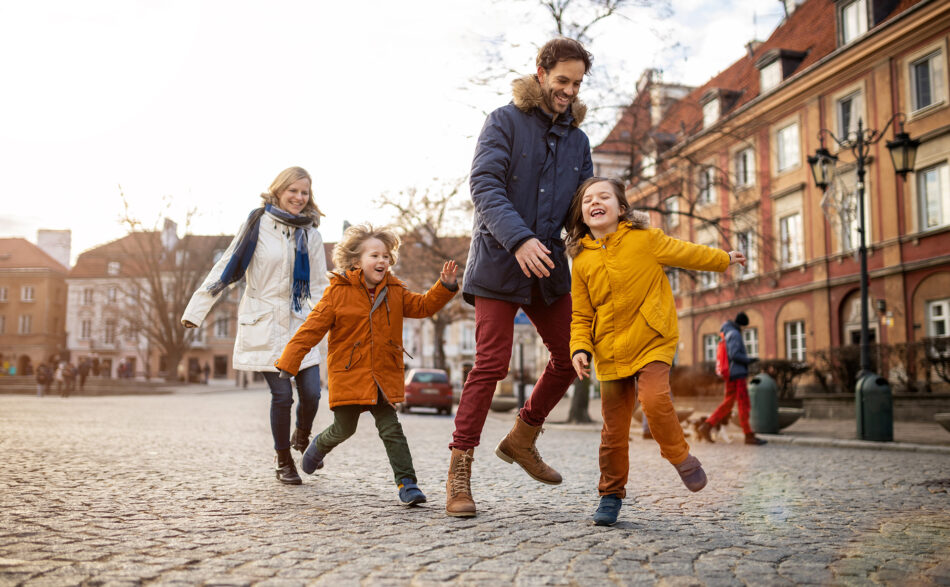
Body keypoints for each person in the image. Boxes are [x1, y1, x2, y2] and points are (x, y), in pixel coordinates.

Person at [446, 37, 595, 518]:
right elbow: (484, 185)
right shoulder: (503, 121)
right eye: (561, 81)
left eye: (576, 84)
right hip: (498, 259)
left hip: (548, 265)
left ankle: (523, 436)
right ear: (541, 74)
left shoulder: (578, 140)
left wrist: (614, 234)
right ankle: (459, 470)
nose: (568, 91)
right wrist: (519, 239)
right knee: (491, 363)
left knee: (572, 355)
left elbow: (581, 209)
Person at [567, 177, 747, 526]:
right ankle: (610, 494)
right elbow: (581, 313)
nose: (595, 202)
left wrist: (722, 258)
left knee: (653, 401)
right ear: (582, 214)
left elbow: (686, 252)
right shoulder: (582, 261)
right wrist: (580, 348)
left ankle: (680, 457)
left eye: (604, 196)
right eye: (587, 199)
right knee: (613, 431)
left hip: (652, 337)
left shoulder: (645, 239)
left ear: (621, 210)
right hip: (610, 348)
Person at [275, 224, 458, 506]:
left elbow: (423, 307)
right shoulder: (338, 293)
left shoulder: (395, 291)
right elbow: (310, 330)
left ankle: (407, 483)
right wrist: (289, 363)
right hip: (349, 374)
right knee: (344, 429)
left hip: (383, 376)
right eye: (374, 255)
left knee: (391, 429)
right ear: (355, 260)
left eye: (386, 256)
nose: (382, 261)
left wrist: (443, 286)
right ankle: (317, 447)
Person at [182, 166, 329, 485]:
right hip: (263, 322)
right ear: (278, 190)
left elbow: (318, 285)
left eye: (304, 193)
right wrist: (197, 310)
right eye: (293, 191)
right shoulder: (257, 224)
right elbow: (227, 265)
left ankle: (302, 434)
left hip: (300, 325)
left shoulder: (312, 234)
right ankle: (283, 461)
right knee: (283, 397)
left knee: (313, 394)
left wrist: (323, 322)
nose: (299, 198)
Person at [696, 312, 766, 446]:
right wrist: (749, 360)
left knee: (728, 404)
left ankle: (707, 426)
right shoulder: (734, 334)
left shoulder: (725, 333)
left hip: (730, 374)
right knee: (743, 404)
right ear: (743, 325)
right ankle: (748, 435)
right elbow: (734, 354)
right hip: (737, 374)